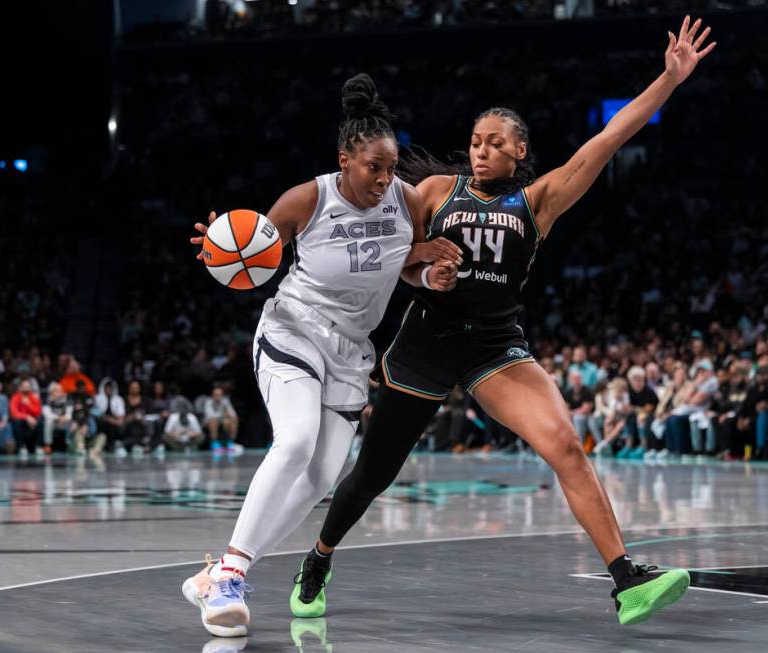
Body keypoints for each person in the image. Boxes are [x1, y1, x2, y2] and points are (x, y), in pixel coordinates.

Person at [291, 17, 715, 627]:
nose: (481, 148)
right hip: (426, 344)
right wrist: (423, 269)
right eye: (475, 139)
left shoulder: (537, 202)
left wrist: (670, 79)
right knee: (373, 474)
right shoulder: (435, 190)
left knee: (567, 445)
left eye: (494, 141)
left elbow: (608, 140)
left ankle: (626, 581)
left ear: (519, 150)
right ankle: (319, 558)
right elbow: (396, 255)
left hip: (495, 348)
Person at [180, 73, 461, 637]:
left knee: (319, 480)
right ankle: (231, 574)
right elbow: (251, 245)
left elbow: (407, 268)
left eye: (390, 167)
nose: (384, 179)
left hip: (352, 351)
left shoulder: (406, 200)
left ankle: (220, 573)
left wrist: (432, 271)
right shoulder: (309, 199)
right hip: (294, 331)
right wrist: (224, 243)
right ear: (344, 160)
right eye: (372, 168)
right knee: (296, 441)